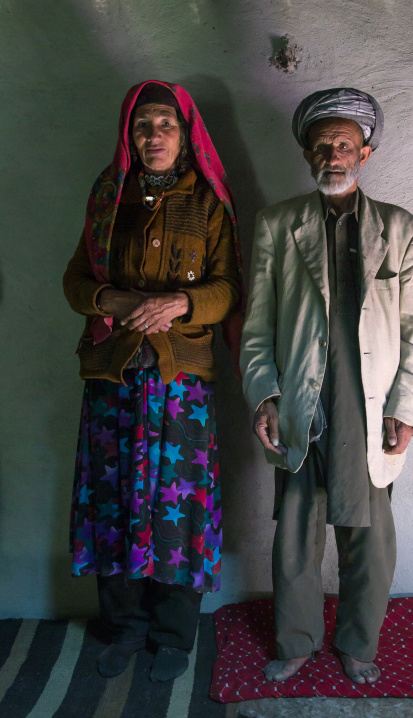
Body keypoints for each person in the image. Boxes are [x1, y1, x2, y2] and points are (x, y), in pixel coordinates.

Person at [240, 88, 413, 685]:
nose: (333, 153)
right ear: (306, 153)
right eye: (322, 143)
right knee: (296, 528)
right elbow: (257, 324)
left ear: (365, 153)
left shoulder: (403, 230)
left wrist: (407, 409)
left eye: (344, 143)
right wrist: (265, 395)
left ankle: (357, 644)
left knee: (367, 531)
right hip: (302, 393)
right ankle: (295, 641)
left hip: (368, 403)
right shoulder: (277, 223)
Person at [63, 80, 241, 681]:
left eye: (166, 124)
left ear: (186, 133)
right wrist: (108, 294)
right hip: (113, 377)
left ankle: (172, 634)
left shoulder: (209, 202)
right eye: (143, 126)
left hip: (180, 384)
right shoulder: (109, 196)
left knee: (176, 510)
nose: (154, 135)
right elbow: (74, 281)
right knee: (113, 504)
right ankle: (123, 627)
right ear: (128, 134)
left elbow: (228, 288)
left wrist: (182, 304)